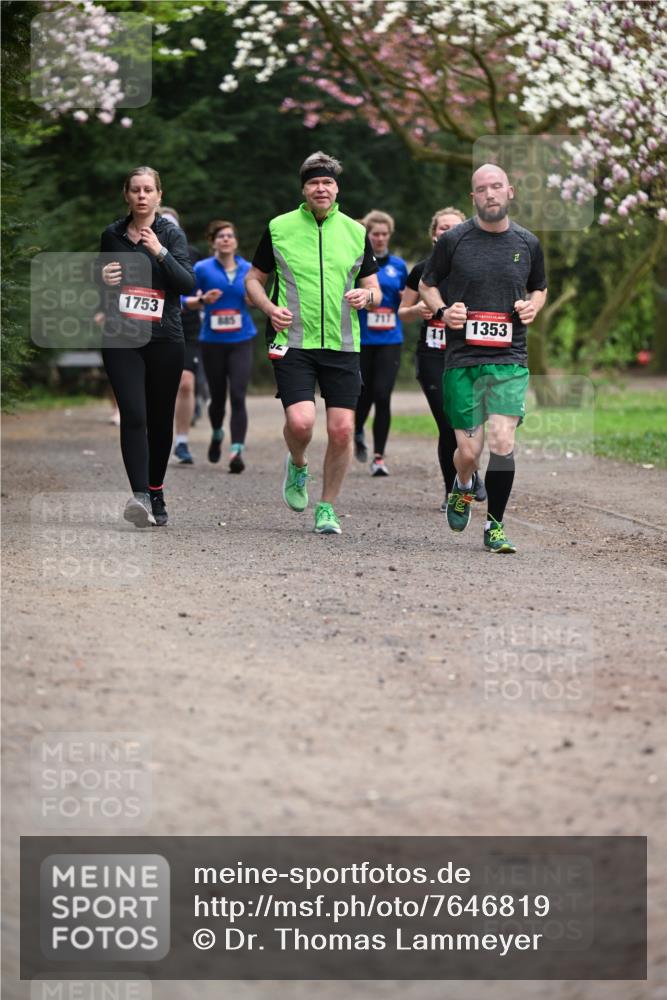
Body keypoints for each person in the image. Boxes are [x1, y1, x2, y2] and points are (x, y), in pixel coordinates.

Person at [245, 151, 380, 534]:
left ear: (337, 189)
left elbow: (375, 289)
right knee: (301, 423)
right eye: (314, 183)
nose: (321, 188)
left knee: (341, 431)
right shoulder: (278, 228)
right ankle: (298, 463)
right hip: (294, 340)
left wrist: (366, 298)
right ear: (304, 189)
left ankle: (327, 507)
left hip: (343, 343)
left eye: (328, 183)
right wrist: (270, 308)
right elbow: (252, 280)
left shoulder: (356, 232)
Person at [419, 164, 547, 553]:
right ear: (472, 197)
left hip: (510, 357)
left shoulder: (528, 242)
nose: (490, 194)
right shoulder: (454, 240)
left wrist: (532, 307)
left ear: (510, 192)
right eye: (481, 189)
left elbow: (539, 287)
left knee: (502, 440)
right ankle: (462, 483)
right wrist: (443, 312)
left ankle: (495, 527)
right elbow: (426, 285)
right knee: (470, 453)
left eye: (496, 187)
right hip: (462, 360)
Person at [99, 166, 195, 527]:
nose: (141, 195)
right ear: (126, 195)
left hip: (164, 339)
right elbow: (103, 285)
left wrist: (160, 252)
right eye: (135, 189)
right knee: (134, 414)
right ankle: (139, 494)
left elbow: (186, 283)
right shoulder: (111, 235)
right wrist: (101, 276)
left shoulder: (172, 234)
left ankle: (156, 489)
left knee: (158, 418)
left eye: (148, 190)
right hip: (121, 337)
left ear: (158, 196)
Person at [398, 207, 486, 511]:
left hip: (467, 354)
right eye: (442, 228)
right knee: (448, 422)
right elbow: (402, 312)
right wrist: (416, 311)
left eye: (454, 227)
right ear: (434, 234)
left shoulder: (476, 270)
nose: (447, 232)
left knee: (467, 422)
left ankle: (469, 468)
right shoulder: (421, 270)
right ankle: (454, 491)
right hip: (433, 356)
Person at [183, 220, 256, 473]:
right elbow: (183, 297)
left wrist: (253, 299)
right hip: (212, 342)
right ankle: (216, 433)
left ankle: (236, 450)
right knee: (218, 397)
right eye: (221, 236)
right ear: (212, 241)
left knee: (238, 394)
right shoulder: (202, 269)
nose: (226, 239)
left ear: (236, 241)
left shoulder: (248, 269)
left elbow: (259, 298)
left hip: (241, 340)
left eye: (230, 235)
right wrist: (201, 299)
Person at [352, 210, 408, 477]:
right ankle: (357, 429)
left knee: (383, 395)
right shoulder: (358, 263)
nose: (381, 239)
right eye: (375, 234)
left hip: (390, 339)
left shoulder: (398, 266)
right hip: (362, 338)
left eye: (385, 234)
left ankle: (379, 457)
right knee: (363, 393)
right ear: (368, 235)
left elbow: (408, 300)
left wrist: (403, 298)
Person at [157, 207, 201, 466]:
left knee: (185, 382)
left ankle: (182, 441)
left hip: (187, 325)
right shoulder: (138, 249)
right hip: (152, 323)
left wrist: (199, 302)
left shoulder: (192, 253)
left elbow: (197, 285)